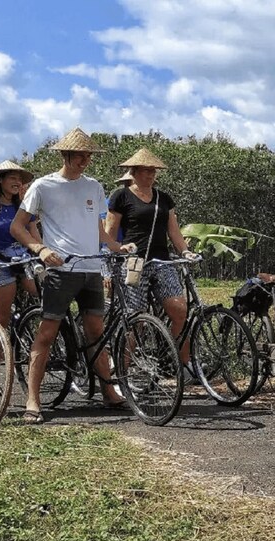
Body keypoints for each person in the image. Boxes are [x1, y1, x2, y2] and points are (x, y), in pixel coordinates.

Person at [10, 127, 128, 423]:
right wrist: (39, 249)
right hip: (61, 270)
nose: (85, 160)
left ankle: (108, 392)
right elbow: (18, 226)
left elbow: (99, 230)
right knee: (47, 333)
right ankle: (33, 400)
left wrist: (117, 246)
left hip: (91, 268)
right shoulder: (43, 186)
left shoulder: (93, 187)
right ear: (66, 154)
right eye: (80, 155)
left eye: (88, 155)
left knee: (96, 333)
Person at [105, 147, 199, 377]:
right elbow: (109, 232)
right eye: (145, 171)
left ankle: (175, 362)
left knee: (179, 310)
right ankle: (122, 371)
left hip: (161, 261)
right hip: (133, 262)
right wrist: (111, 261)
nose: (150, 175)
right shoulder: (121, 196)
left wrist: (185, 251)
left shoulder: (163, 199)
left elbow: (174, 232)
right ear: (134, 172)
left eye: (153, 171)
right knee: (135, 319)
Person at [0, 160, 40, 396]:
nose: (17, 182)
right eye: (12, 178)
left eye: (20, 178)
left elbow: (34, 233)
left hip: (23, 259)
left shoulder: (24, 207)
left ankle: (27, 331)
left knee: (42, 301)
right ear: (0, 181)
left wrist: (43, 254)